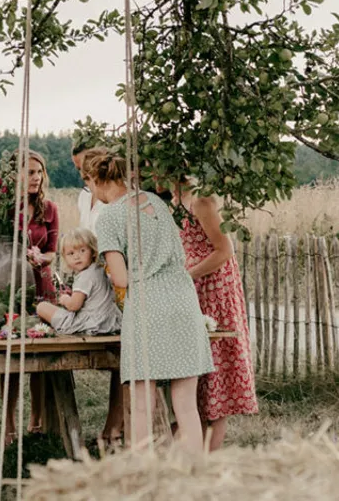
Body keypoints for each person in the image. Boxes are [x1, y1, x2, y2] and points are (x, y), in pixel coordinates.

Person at [83, 149, 214, 455]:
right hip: (182, 299)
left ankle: (144, 475)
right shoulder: (155, 200)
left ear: (96, 179)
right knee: (186, 405)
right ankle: (196, 474)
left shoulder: (108, 217)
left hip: (148, 304)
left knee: (142, 405)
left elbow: (121, 279)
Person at [173, 183, 258, 451]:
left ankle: (210, 455)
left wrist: (188, 276)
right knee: (193, 377)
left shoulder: (201, 201)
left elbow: (224, 250)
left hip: (214, 291)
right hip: (194, 289)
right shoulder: (174, 200)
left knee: (215, 376)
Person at [0, 149, 59, 442]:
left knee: (41, 352)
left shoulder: (49, 208)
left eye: (39, 172)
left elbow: (53, 249)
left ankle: (37, 419)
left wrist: (41, 258)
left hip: (41, 284)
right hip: (10, 286)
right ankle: (9, 422)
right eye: (30, 172)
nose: (36, 178)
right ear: (14, 176)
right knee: (10, 354)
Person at [72, 145, 125, 445]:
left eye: (83, 166)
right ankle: (115, 425)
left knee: (122, 351)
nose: (80, 171)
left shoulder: (112, 200)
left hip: (114, 275)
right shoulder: (83, 197)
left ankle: (116, 427)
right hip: (93, 277)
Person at [36, 228, 122, 336]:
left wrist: (65, 299)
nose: (77, 256)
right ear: (65, 258)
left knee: (42, 306)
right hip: (108, 322)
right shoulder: (99, 271)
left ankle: (48, 330)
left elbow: (74, 306)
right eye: (71, 253)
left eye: (82, 250)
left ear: (93, 251)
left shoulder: (85, 277)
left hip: (89, 323)